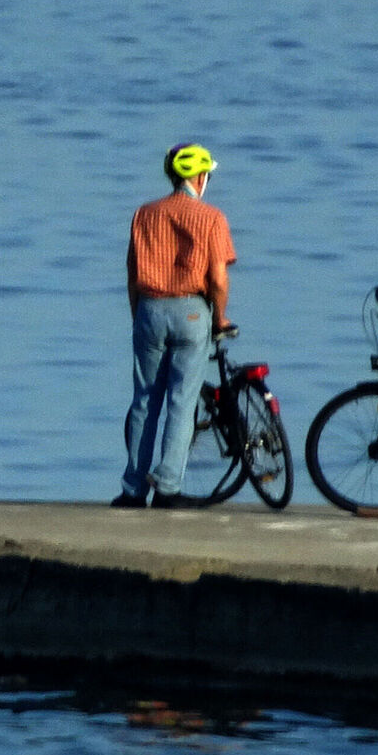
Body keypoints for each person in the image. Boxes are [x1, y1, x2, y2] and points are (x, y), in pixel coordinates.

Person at [113, 143, 237, 509]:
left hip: (149, 309)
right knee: (181, 402)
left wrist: (139, 315)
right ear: (200, 177)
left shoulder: (144, 214)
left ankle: (133, 488)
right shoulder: (212, 217)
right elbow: (217, 279)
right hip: (191, 312)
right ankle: (167, 487)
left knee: (144, 401)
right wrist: (221, 318)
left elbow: (133, 275)